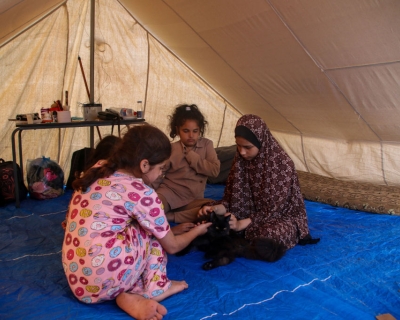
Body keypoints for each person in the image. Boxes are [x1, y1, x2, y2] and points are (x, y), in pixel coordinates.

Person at [62, 125, 211, 320]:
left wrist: (170, 228)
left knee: (147, 225)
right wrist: (197, 231)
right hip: (105, 277)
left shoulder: (99, 168)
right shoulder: (143, 194)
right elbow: (173, 247)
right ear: (144, 165)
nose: (160, 175)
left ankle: (125, 292)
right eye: (161, 169)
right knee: (152, 230)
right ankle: (156, 287)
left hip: (81, 283)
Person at [199, 114, 319, 249]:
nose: (242, 152)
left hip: (278, 216)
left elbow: (273, 211)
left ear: (261, 141)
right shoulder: (240, 160)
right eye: (238, 146)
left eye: (248, 147)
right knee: (205, 218)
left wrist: (239, 224)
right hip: (245, 214)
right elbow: (231, 200)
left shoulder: (282, 164)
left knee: (268, 236)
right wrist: (215, 210)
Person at [153, 104, 220, 233]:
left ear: (200, 130)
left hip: (193, 200)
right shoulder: (171, 148)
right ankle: (164, 214)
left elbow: (214, 171)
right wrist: (150, 194)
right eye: (186, 131)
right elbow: (158, 173)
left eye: (195, 131)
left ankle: (171, 217)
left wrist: (191, 156)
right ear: (178, 130)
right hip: (169, 195)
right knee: (151, 208)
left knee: (216, 208)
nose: (191, 135)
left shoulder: (207, 145)